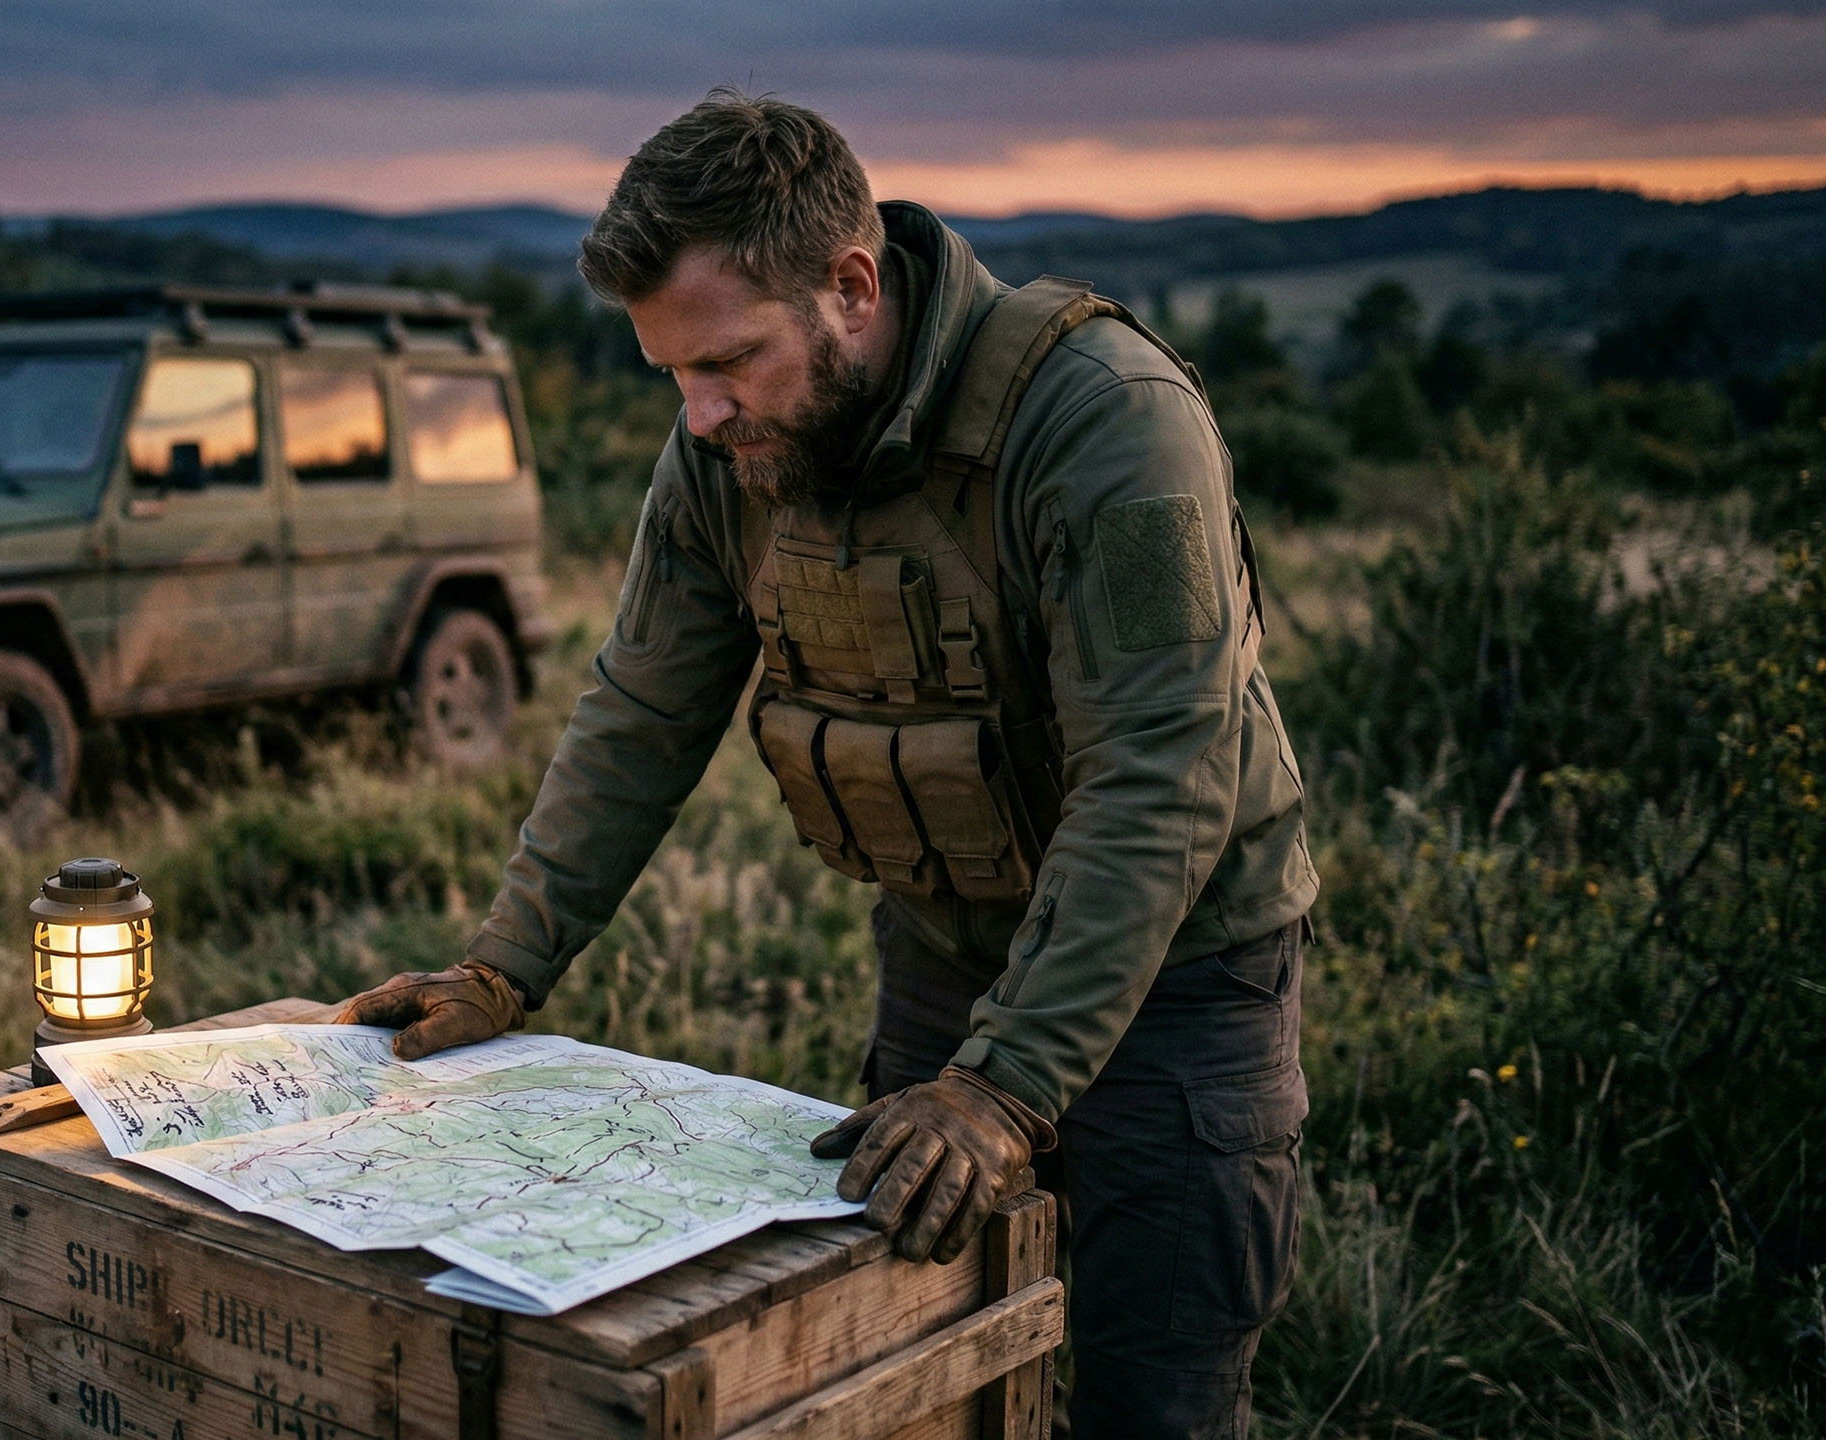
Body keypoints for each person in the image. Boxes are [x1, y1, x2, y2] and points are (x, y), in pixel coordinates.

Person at [335, 88, 1317, 1440]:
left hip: (1182, 981)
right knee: (915, 1368)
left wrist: (1004, 1088)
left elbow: (1160, 772)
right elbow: (640, 707)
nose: (698, 414)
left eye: (727, 363)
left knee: (1159, 1398)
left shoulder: (1103, 422)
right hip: (940, 955)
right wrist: (508, 962)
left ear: (851, 288)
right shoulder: (733, 446)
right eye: (671, 372)